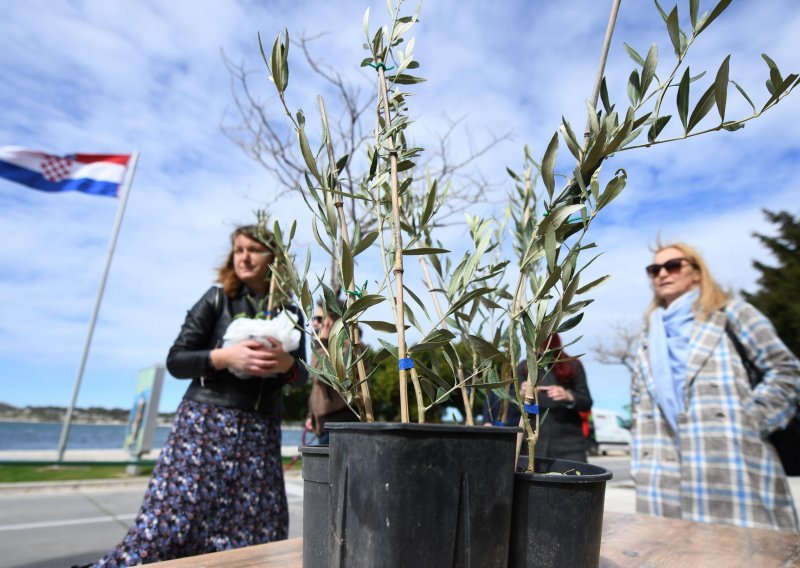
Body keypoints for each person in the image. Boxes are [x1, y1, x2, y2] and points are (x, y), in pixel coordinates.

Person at [90, 224, 307, 566]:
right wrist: (223, 357)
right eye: (238, 249)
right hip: (205, 428)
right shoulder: (216, 298)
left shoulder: (291, 313)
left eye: (253, 249)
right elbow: (177, 359)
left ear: (274, 259)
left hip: (260, 433)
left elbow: (303, 375)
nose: (244, 256)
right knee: (170, 525)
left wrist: (285, 364)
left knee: (258, 528)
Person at [631, 242, 800, 532]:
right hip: (661, 477)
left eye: (673, 265)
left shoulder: (732, 314)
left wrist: (750, 421)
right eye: (654, 269)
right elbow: (638, 404)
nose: (662, 274)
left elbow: (785, 370)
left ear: (696, 272)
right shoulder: (648, 335)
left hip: (731, 468)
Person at [483, 333, 593, 463]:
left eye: (542, 343)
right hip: (531, 445)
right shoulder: (524, 367)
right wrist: (522, 395)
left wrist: (568, 396)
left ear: (552, 343)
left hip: (569, 445)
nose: (538, 348)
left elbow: (586, 402)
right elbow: (509, 403)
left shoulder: (572, 365)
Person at [305, 299, 358, 445]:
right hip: (326, 425)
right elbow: (317, 389)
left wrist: (320, 342)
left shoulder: (347, 348)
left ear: (333, 321)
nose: (314, 323)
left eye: (319, 319)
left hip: (339, 426)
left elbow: (320, 375)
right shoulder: (328, 348)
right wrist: (312, 416)